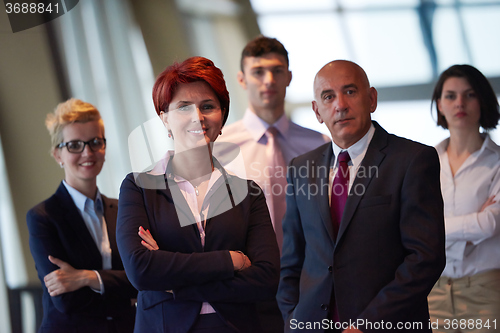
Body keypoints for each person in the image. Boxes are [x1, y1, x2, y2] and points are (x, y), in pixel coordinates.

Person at [277, 60, 446, 333]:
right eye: (328, 96)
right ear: (317, 111)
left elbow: (425, 258)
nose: (340, 105)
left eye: (350, 92)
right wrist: (292, 320)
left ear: (372, 99)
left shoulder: (413, 160)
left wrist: (367, 325)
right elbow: (292, 259)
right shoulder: (301, 168)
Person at [116, 56, 280, 333]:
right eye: (183, 107)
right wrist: (230, 260)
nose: (198, 117)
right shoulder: (138, 187)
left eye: (208, 106)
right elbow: (141, 269)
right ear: (164, 119)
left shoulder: (248, 193)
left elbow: (265, 277)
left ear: (222, 116)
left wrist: (174, 283)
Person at [26, 98, 137, 333]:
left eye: (95, 142)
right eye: (75, 145)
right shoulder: (43, 217)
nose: (88, 152)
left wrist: (88, 277)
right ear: (58, 154)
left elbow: (143, 279)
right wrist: (127, 296)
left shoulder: (124, 209)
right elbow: (67, 301)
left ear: (104, 148)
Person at [219, 35, 329, 252]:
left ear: (289, 77)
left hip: (310, 270)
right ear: (242, 79)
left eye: (277, 71)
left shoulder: (320, 145)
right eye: (258, 72)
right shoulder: (219, 149)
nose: (269, 80)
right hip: (246, 273)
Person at [427, 64, 500, 333]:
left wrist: (435, 229)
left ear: (483, 100)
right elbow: (409, 227)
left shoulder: (498, 162)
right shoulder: (423, 163)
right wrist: (472, 226)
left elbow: (492, 224)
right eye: (451, 96)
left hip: (487, 289)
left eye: (469, 95)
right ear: (440, 105)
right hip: (433, 289)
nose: (460, 103)